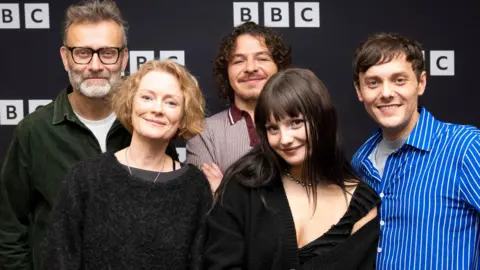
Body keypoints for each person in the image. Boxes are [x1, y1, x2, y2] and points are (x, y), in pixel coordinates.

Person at [0, 1, 177, 269]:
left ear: (124, 58)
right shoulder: (34, 131)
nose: (95, 65)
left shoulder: (150, 127)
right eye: (82, 53)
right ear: (65, 57)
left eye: (107, 52)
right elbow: (9, 227)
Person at [204, 68, 380, 270]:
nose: (285, 139)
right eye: (273, 128)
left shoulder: (360, 202)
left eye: (296, 123)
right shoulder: (243, 185)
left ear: (322, 121)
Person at [43, 60, 211, 269]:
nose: (157, 109)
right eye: (147, 97)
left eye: (171, 102)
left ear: (183, 115)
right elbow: (60, 259)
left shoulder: (195, 187)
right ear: (130, 103)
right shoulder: (86, 178)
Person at [351, 33, 480, 269]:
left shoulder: (465, 146)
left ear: (421, 83)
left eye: (399, 80)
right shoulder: (361, 161)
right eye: (373, 82)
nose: (386, 93)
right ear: (359, 91)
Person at [186, 21, 291, 192]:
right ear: (226, 72)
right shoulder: (204, 134)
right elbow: (203, 203)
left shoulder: (303, 124)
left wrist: (224, 190)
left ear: (278, 67)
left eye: (262, 58)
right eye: (238, 61)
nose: (250, 68)